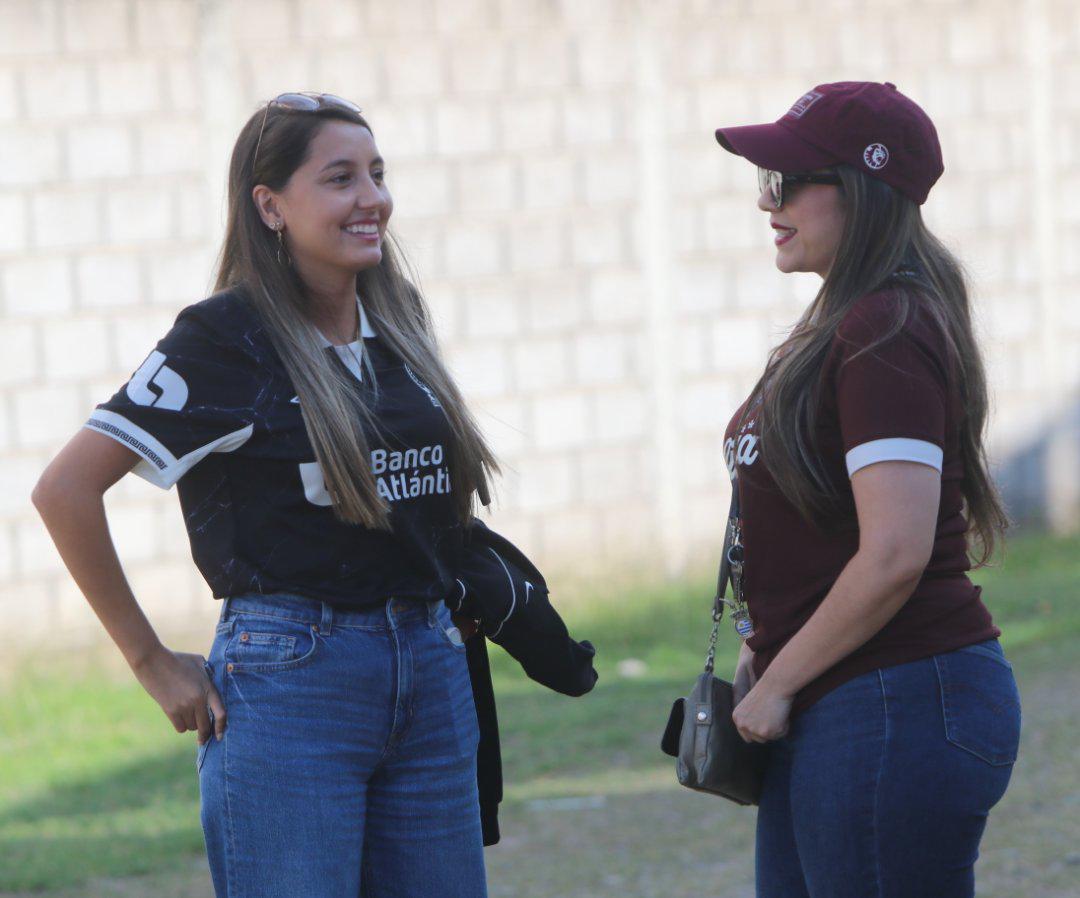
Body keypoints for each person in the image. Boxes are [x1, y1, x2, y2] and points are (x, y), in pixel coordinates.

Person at [33, 92, 502, 898]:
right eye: (340, 178)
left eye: (378, 174)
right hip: (293, 679)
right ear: (270, 205)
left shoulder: (399, 319)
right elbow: (65, 489)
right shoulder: (224, 338)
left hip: (430, 668)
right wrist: (149, 662)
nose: (372, 200)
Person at [712, 81, 1021, 898]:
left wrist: (777, 683)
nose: (764, 202)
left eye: (785, 181)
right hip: (849, 699)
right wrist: (763, 646)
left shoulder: (883, 327)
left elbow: (894, 551)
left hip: (894, 700)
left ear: (860, 189)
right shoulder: (843, 322)